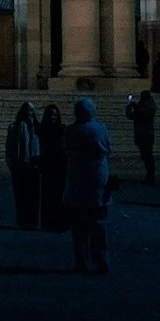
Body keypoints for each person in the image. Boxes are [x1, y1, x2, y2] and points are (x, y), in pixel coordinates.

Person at [63, 98, 113, 272]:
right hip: (98, 180)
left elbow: (66, 148)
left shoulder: (71, 130)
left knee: (79, 226)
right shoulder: (101, 129)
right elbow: (109, 148)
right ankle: (102, 259)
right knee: (98, 224)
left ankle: (81, 262)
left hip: (77, 181)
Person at [5, 102, 42, 229]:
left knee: (34, 195)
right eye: (26, 111)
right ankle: (22, 220)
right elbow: (9, 146)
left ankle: (32, 220)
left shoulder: (37, 128)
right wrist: (11, 164)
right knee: (20, 195)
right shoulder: (14, 127)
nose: (29, 113)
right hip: (20, 165)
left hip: (34, 165)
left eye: (31, 111)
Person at [38, 103, 69, 231]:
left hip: (60, 165)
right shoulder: (42, 129)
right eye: (51, 114)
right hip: (48, 164)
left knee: (59, 194)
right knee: (47, 194)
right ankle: (48, 222)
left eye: (55, 115)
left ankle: (59, 221)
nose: (53, 117)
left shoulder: (62, 129)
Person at [126, 90, 157, 184]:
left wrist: (136, 107)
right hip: (141, 134)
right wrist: (129, 107)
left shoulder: (150, 106)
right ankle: (149, 176)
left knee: (148, 156)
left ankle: (150, 176)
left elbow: (144, 114)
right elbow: (132, 116)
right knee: (145, 156)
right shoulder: (142, 105)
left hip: (146, 135)